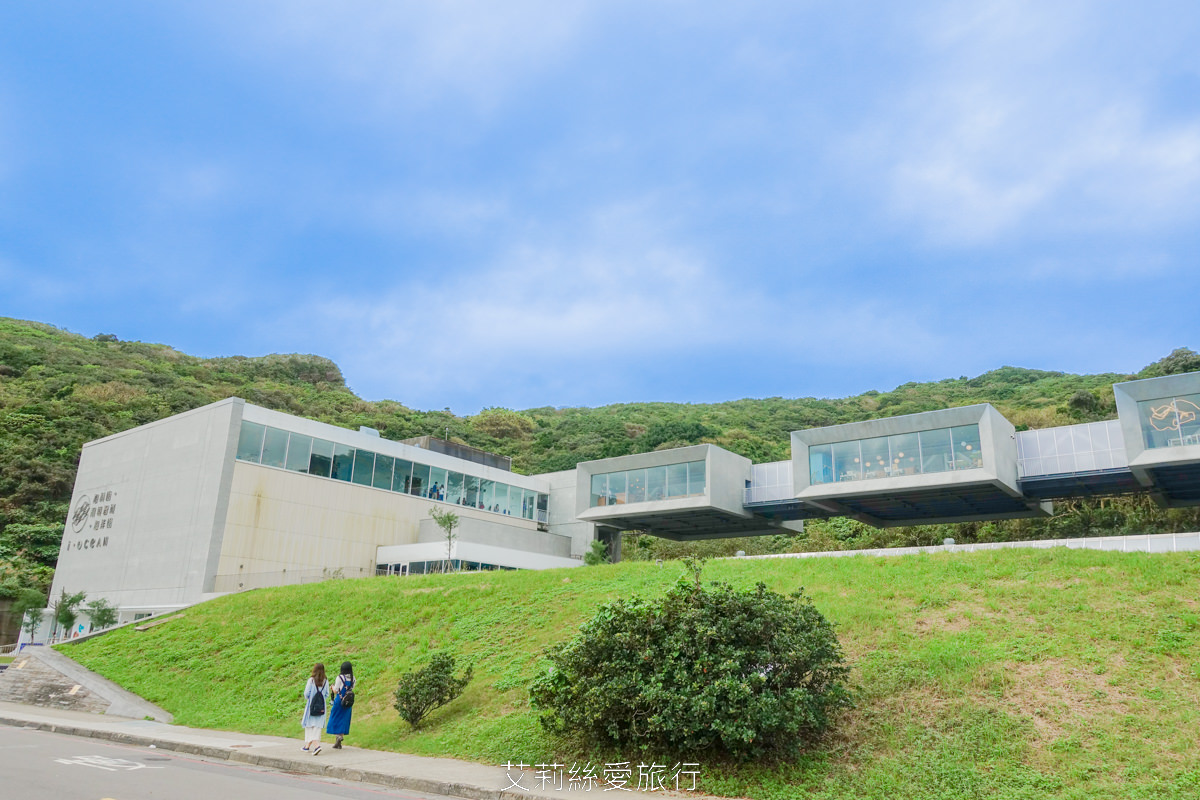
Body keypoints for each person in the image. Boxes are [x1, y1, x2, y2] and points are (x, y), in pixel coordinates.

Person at [301, 662, 330, 755]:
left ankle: (317, 746)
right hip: (321, 707)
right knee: (317, 727)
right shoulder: (325, 681)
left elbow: (306, 694)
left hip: (311, 706)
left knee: (309, 726)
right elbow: (326, 694)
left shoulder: (311, 680)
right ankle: (307, 747)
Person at [326, 661, 355, 749]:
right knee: (344, 719)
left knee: (334, 717)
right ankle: (338, 741)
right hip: (348, 702)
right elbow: (351, 688)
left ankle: (338, 737)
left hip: (339, 700)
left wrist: (332, 687)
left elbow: (336, 690)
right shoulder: (353, 678)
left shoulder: (340, 678)